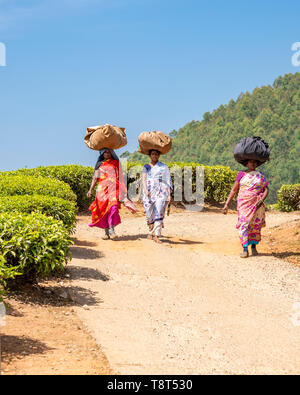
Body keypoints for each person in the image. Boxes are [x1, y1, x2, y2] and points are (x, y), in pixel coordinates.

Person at [222, 159, 269, 258]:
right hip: (244, 203)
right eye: (250, 162)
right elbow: (234, 190)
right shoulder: (241, 174)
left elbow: (266, 189)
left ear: (257, 164)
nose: (253, 164)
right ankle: (245, 249)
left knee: (255, 224)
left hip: (257, 204)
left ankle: (253, 247)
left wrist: (261, 200)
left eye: (255, 162)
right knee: (244, 224)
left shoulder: (260, 175)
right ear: (246, 163)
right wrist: (226, 204)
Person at [87, 148, 127, 240]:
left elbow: (120, 176)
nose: (107, 154)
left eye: (109, 152)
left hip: (113, 188)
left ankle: (112, 229)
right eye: (105, 152)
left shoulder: (115, 163)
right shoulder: (99, 164)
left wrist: (123, 190)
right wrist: (90, 190)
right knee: (103, 210)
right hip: (102, 190)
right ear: (102, 154)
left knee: (113, 207)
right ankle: (106, 233)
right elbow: (95, 178)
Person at [142, 149, 172, 243]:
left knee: (159, 211)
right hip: (149, 192)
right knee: (149, 213)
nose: (154, 156)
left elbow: (167, 180)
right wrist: (146, 190)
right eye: (152, 154)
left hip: (161, 192)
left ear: (158, 156)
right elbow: (143, 180)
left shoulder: (163, 167)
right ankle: (151, 229)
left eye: (156, 154)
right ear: (150, 156)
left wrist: (169, 194)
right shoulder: (146, 167)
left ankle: (157, 235)